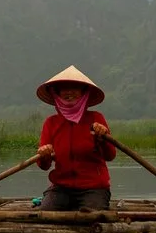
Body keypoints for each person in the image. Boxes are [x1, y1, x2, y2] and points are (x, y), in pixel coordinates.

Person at [33, 65, 114, 210]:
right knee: (46, 213)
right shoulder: (51, 123)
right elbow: (43, 166)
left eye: (75, 88)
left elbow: (110, 155)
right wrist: (44, 154)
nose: (69, 92)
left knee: (92, 216)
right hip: (61, 188)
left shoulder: (96, 119)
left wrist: (103, 137)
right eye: (64, 88)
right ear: (57, 93)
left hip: (94, 187)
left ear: (84, 93)